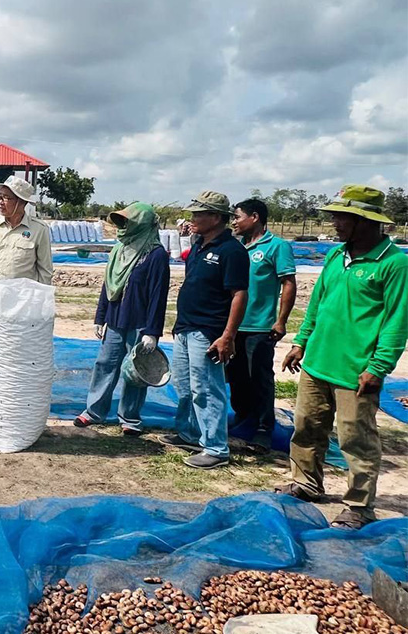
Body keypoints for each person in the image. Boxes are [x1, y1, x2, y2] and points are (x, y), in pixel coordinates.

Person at [279, 185, 408, 530]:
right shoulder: (337, 256)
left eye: (341, 217)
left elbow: (397, 321)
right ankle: (307, 483)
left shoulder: (394, 264)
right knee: (307, 427)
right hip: (317, 362)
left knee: (356, 439)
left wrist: (377, 368)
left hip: (356, 371)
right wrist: (301, 342)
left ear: (365, 221)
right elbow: (318, 305)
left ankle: (359, 505)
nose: (334, 222)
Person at [164, 191, 249, 469]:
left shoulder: (231, 251)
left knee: (207, 389)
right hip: (187, 326)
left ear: (216, 217)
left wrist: (227, 336)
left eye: (198, 214)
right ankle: (190, 433)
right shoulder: (199, 245)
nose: (193, 219)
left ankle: (216, 448)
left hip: (209, 331)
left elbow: (239, 294)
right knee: (185, 385)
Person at [73, 203, 170, 436]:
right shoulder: (119, 250)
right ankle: (94, 411)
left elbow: (158, 295)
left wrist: (152, 331)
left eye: (128, 222)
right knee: (105, 365)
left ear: (142, 224)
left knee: (134, 372)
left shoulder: (155, 255)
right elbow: (108, 285)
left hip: (140, 323)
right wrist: (100, 317)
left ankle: (130, 418)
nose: (123, 226)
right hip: (116, 320)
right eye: (122, 222)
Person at [226, 198, 296, 452]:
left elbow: (288, 282)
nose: (234, 221)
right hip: (235, 326)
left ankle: (264, 429)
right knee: (236, 375)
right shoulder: (236, 247)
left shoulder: (276, 246)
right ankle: (244, 418)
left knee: (260, 377)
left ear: (254, 217)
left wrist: (281, 320)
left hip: (260, 325)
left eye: (237, 216)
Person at [0, 175, 52, 285]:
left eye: (6, 198)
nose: (0, 202)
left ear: (22, 202)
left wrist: (41, 297)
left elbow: (45, 270)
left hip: (20, 294)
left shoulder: (39, 230)